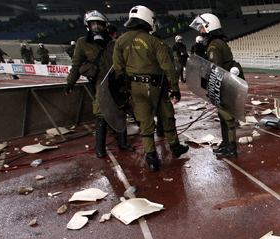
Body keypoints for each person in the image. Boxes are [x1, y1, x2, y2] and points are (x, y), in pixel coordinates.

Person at [113, 5, 189, 172]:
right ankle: (175, 148)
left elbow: (118, 69)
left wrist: (125, 88)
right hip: (155, 87)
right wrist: (175, 87)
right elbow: (168, 67)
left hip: (134, 87)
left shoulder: (120, 41)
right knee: (166, 116)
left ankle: (152, 158)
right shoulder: (154, 41)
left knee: (145, 123)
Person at [65, 10, 135, 158]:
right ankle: (100, 148)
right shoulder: (83, 43)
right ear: (88, 26)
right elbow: (76, 65)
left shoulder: (113, 43)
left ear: (105, 26)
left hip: (116, 81)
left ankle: (122, 143)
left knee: (121, 111)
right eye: (93, 24)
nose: (96, 27)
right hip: (99, 82)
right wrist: (70, 82)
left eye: (100, 24)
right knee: (101, 115)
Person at [190, 13, 244, 159]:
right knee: (222, 116)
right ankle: (226, 144)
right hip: (226, 83)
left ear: (209, 26)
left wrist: (212, 88)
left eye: (202, 27)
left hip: (223, 85)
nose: (200, 30)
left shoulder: (214, 46)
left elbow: (216, 70)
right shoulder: (218, 42)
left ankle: (231, 148)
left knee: (227, 117)